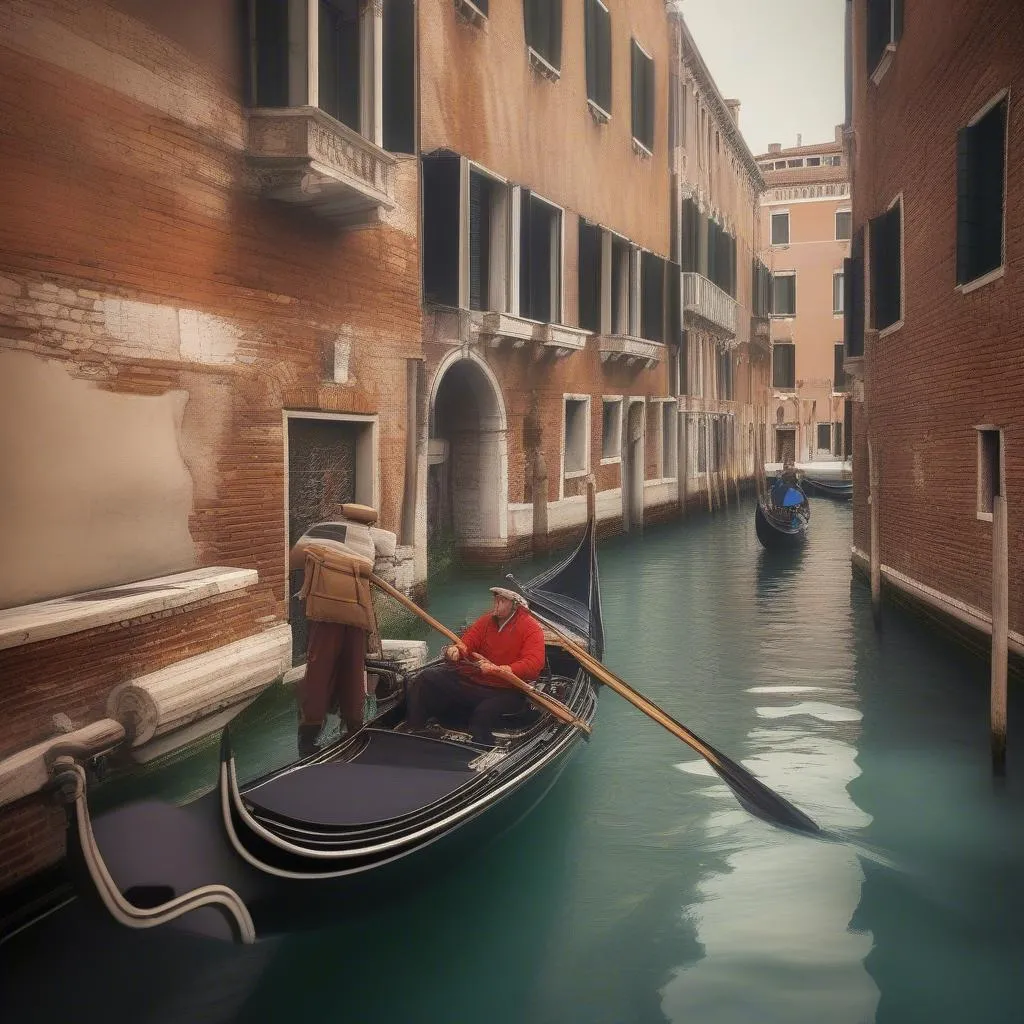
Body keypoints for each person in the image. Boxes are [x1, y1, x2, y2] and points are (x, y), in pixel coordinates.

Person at [406, 587, 546, 745]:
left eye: (502, 601)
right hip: (476, 680)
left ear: (515, 606)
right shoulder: (486, 620)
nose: (496, 604)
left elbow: (533, 664)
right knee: (427, 677)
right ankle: (414, 728)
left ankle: (482, 747)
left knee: (483, 713)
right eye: (496, 600)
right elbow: (469, 641)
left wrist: (501, 670)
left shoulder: (531, 628)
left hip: (508, 689)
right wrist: (457, 650)